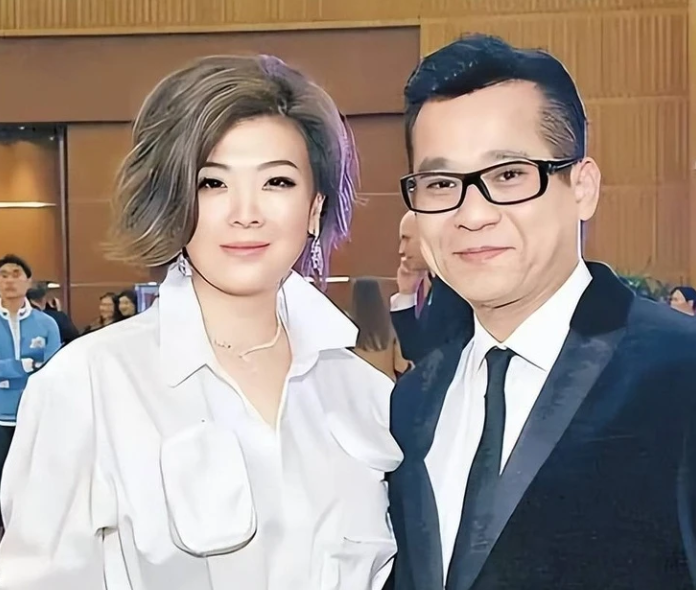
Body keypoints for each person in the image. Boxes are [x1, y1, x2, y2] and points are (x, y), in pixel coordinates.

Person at [386, 34, 696, 590]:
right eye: (441, 184)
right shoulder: (413, 402)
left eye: (509, 175)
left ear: (583, 188)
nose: (472, 213)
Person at [0, 55, 401, 589]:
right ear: (172, 202)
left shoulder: (364, 395)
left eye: (277, 182)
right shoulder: (87, 384)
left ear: (314, 208)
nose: (245, 212)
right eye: (212, 183)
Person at [0, 255, 61, 516]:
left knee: (32, 479)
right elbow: (36, 367)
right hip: (0, 416)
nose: (9, 281)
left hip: (34, 415)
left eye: (16, 274)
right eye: (3, 275)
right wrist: (24, 366)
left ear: (28, 281)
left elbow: (52, 369)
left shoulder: (46, 324)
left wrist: (7, 371)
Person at [390, 211, 472, 363]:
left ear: (428, 236)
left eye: (407, 239)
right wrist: (407, 293)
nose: (401, 250)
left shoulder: (456, 287)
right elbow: (413, 350)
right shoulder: (438, 283)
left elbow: (427, 354)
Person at [350, 277, 411, 379]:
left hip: (359, 383)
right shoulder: (391, 326)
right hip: (386, 383)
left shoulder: (348, 328)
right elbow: (400, 366)